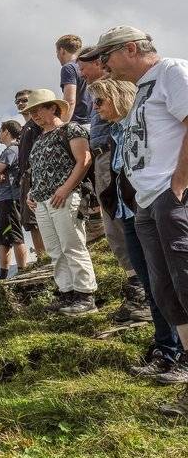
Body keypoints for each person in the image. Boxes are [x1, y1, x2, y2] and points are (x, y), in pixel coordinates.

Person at [88, 26, 188, 415]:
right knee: (166, 292)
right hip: (146, 201)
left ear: (131, 48)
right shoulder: (143, 89)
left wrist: (179, 183)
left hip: (170, 194)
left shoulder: (172, 72)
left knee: (185, 281)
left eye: (106, 56)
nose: (103, 65)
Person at [78, 48, 149, 322]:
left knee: (125, 223)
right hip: (102, 160)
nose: (81, 74)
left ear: (98, 63)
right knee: (114, 226)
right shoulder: (99, 93)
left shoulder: (120, 88)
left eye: (84, 68)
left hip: (114, 156)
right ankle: (137, 286)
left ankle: (143, 290)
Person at [24, 89, 97, 315]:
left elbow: (84, 160)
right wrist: (31, 194)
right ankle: (67, 293)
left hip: (65, 196)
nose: (35, 115)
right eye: (31, 111)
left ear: (53, 107)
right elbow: (36, 172)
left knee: (72, 245)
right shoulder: (38, 141)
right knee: (55, 250)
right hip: (42, 200)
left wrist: (66, 188)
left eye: (38, 109)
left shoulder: (70, 129)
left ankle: (85, 296)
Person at [14, 89, 47, 259]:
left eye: (24, 100)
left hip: (36, 174)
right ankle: (41, 256)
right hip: (25, 176)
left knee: (38, 217)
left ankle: (46, 256)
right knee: (29, 221)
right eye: (18, 101)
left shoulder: (36, 125)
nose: (20, 103)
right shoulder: (25, 127)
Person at [0, 120, 28, 279]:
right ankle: (3, 275)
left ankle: (22, 271)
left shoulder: (11, 150)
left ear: (6, 132)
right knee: (3, 238)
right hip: (5, 199)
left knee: (14, 235)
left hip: (10, 199)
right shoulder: (15, 150)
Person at [56, 34, 92, 126]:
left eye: (57, 52)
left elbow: (70, 101)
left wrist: (62, 125)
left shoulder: (68, 68)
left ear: (62, 50)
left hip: (79, 124)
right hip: (93, 121)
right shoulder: (88, 65)